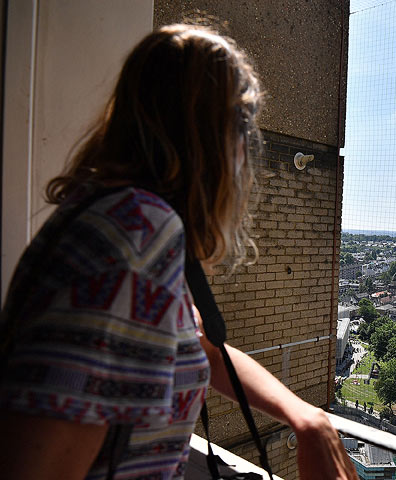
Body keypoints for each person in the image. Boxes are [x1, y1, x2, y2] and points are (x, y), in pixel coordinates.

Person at [0, 24, 357, 480]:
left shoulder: (112, 214)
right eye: (244, 128)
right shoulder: (138, 232)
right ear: (217, 138)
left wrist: (307, 417)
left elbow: (200, 347)